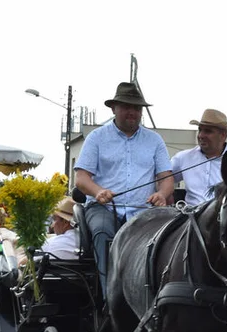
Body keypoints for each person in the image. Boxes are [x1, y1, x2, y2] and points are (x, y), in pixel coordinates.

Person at [73, 81, 173, 291]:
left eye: (136, 108)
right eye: (127, 106)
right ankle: (109, 298)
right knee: (102, 233)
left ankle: (151, 296)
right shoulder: (96, 138)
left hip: (142, 210)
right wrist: (98, 191)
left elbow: (166, 178)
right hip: (104, 208)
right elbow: (81, 179)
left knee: (162, 240)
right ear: (114, 108)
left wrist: (162, 194)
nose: (132, 112)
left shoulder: (154, 140)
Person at [171, 109, 227, 206]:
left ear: (223, 135)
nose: (201, 135)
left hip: (222, 219)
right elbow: (163, 178)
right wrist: (164, 194)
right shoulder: (183, 157)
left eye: (208, 131)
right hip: (189, 218)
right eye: (200, 130)